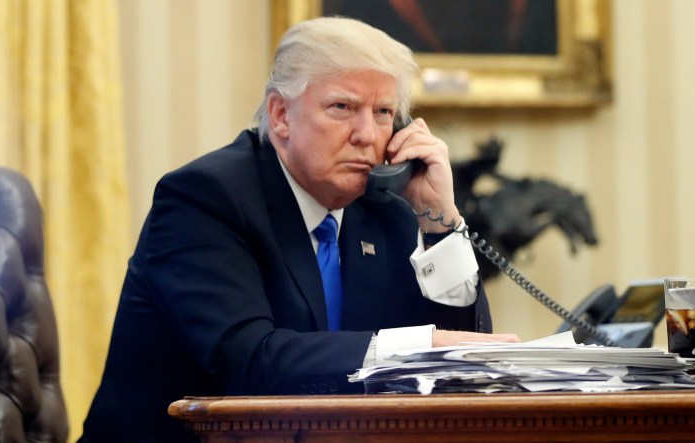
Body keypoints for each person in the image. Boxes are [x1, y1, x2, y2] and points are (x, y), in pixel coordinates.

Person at [78, 16, 519, 443]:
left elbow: (463, 368)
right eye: (343, 107)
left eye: (383, 112)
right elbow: (249, 361)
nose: (367, 134)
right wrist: (417, 346)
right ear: (282, 115)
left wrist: (440, 219)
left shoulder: (386, 208)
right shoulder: (204, 197)